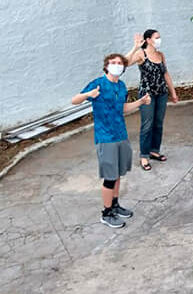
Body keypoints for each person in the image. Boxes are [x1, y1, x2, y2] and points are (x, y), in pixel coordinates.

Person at [71, 54, 151, 229]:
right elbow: (74, 100)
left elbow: (123, 108)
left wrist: (140, 102)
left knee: (118, 173)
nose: (117, 65)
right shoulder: (98, 84)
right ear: (106, 66)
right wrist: (88, 95)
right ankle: (106, 213)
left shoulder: (121, 86)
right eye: (113, 63)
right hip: (105, 137)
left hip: (121, 135)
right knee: (110, 177)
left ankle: (115, 204)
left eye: (120, 63)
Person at [125, 29, 179, 171]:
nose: (159, 40)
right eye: (157, 37)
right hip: (146, 96)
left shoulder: (160, 55)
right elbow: (124, 63)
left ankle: (154, 150)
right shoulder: (141, 54)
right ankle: (144, 156)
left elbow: (165, 73)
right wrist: (135, 47)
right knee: (147, 125)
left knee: (158, 124)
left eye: (159, 37)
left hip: (161, 93)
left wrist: (173, 92)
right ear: (148, 40)